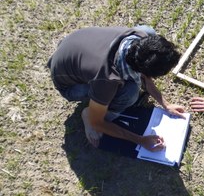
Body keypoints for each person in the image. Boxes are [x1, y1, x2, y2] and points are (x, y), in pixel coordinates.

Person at [48, 25, 185, 150]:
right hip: (69, 84)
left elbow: (145, 75)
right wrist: (140, 140)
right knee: (130, 92)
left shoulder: (138, 37)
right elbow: (97, 123)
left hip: (73, 44)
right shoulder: (107, 79)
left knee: (149, 31)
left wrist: (165, 104)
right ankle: (88, 113)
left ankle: (68, 60)